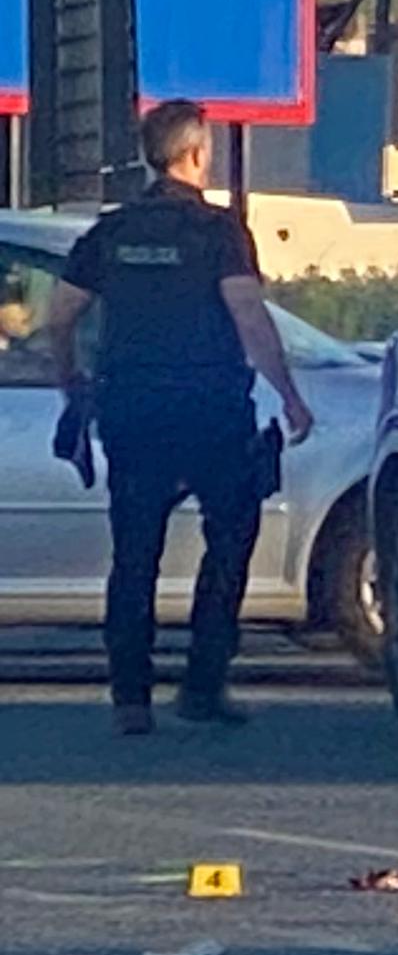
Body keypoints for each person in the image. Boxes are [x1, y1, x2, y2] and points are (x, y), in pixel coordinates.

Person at [38, 101, 313, 734]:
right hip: (212, 409)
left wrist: (68, 380)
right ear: (196, 154)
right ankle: (203, 684)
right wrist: (290, 395)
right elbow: (248, 316)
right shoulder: (219, 232)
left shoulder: (112, 231)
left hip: (132, 410)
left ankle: (130, 698)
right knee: (229, 544)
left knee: (134, 553)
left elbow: (60, 316)